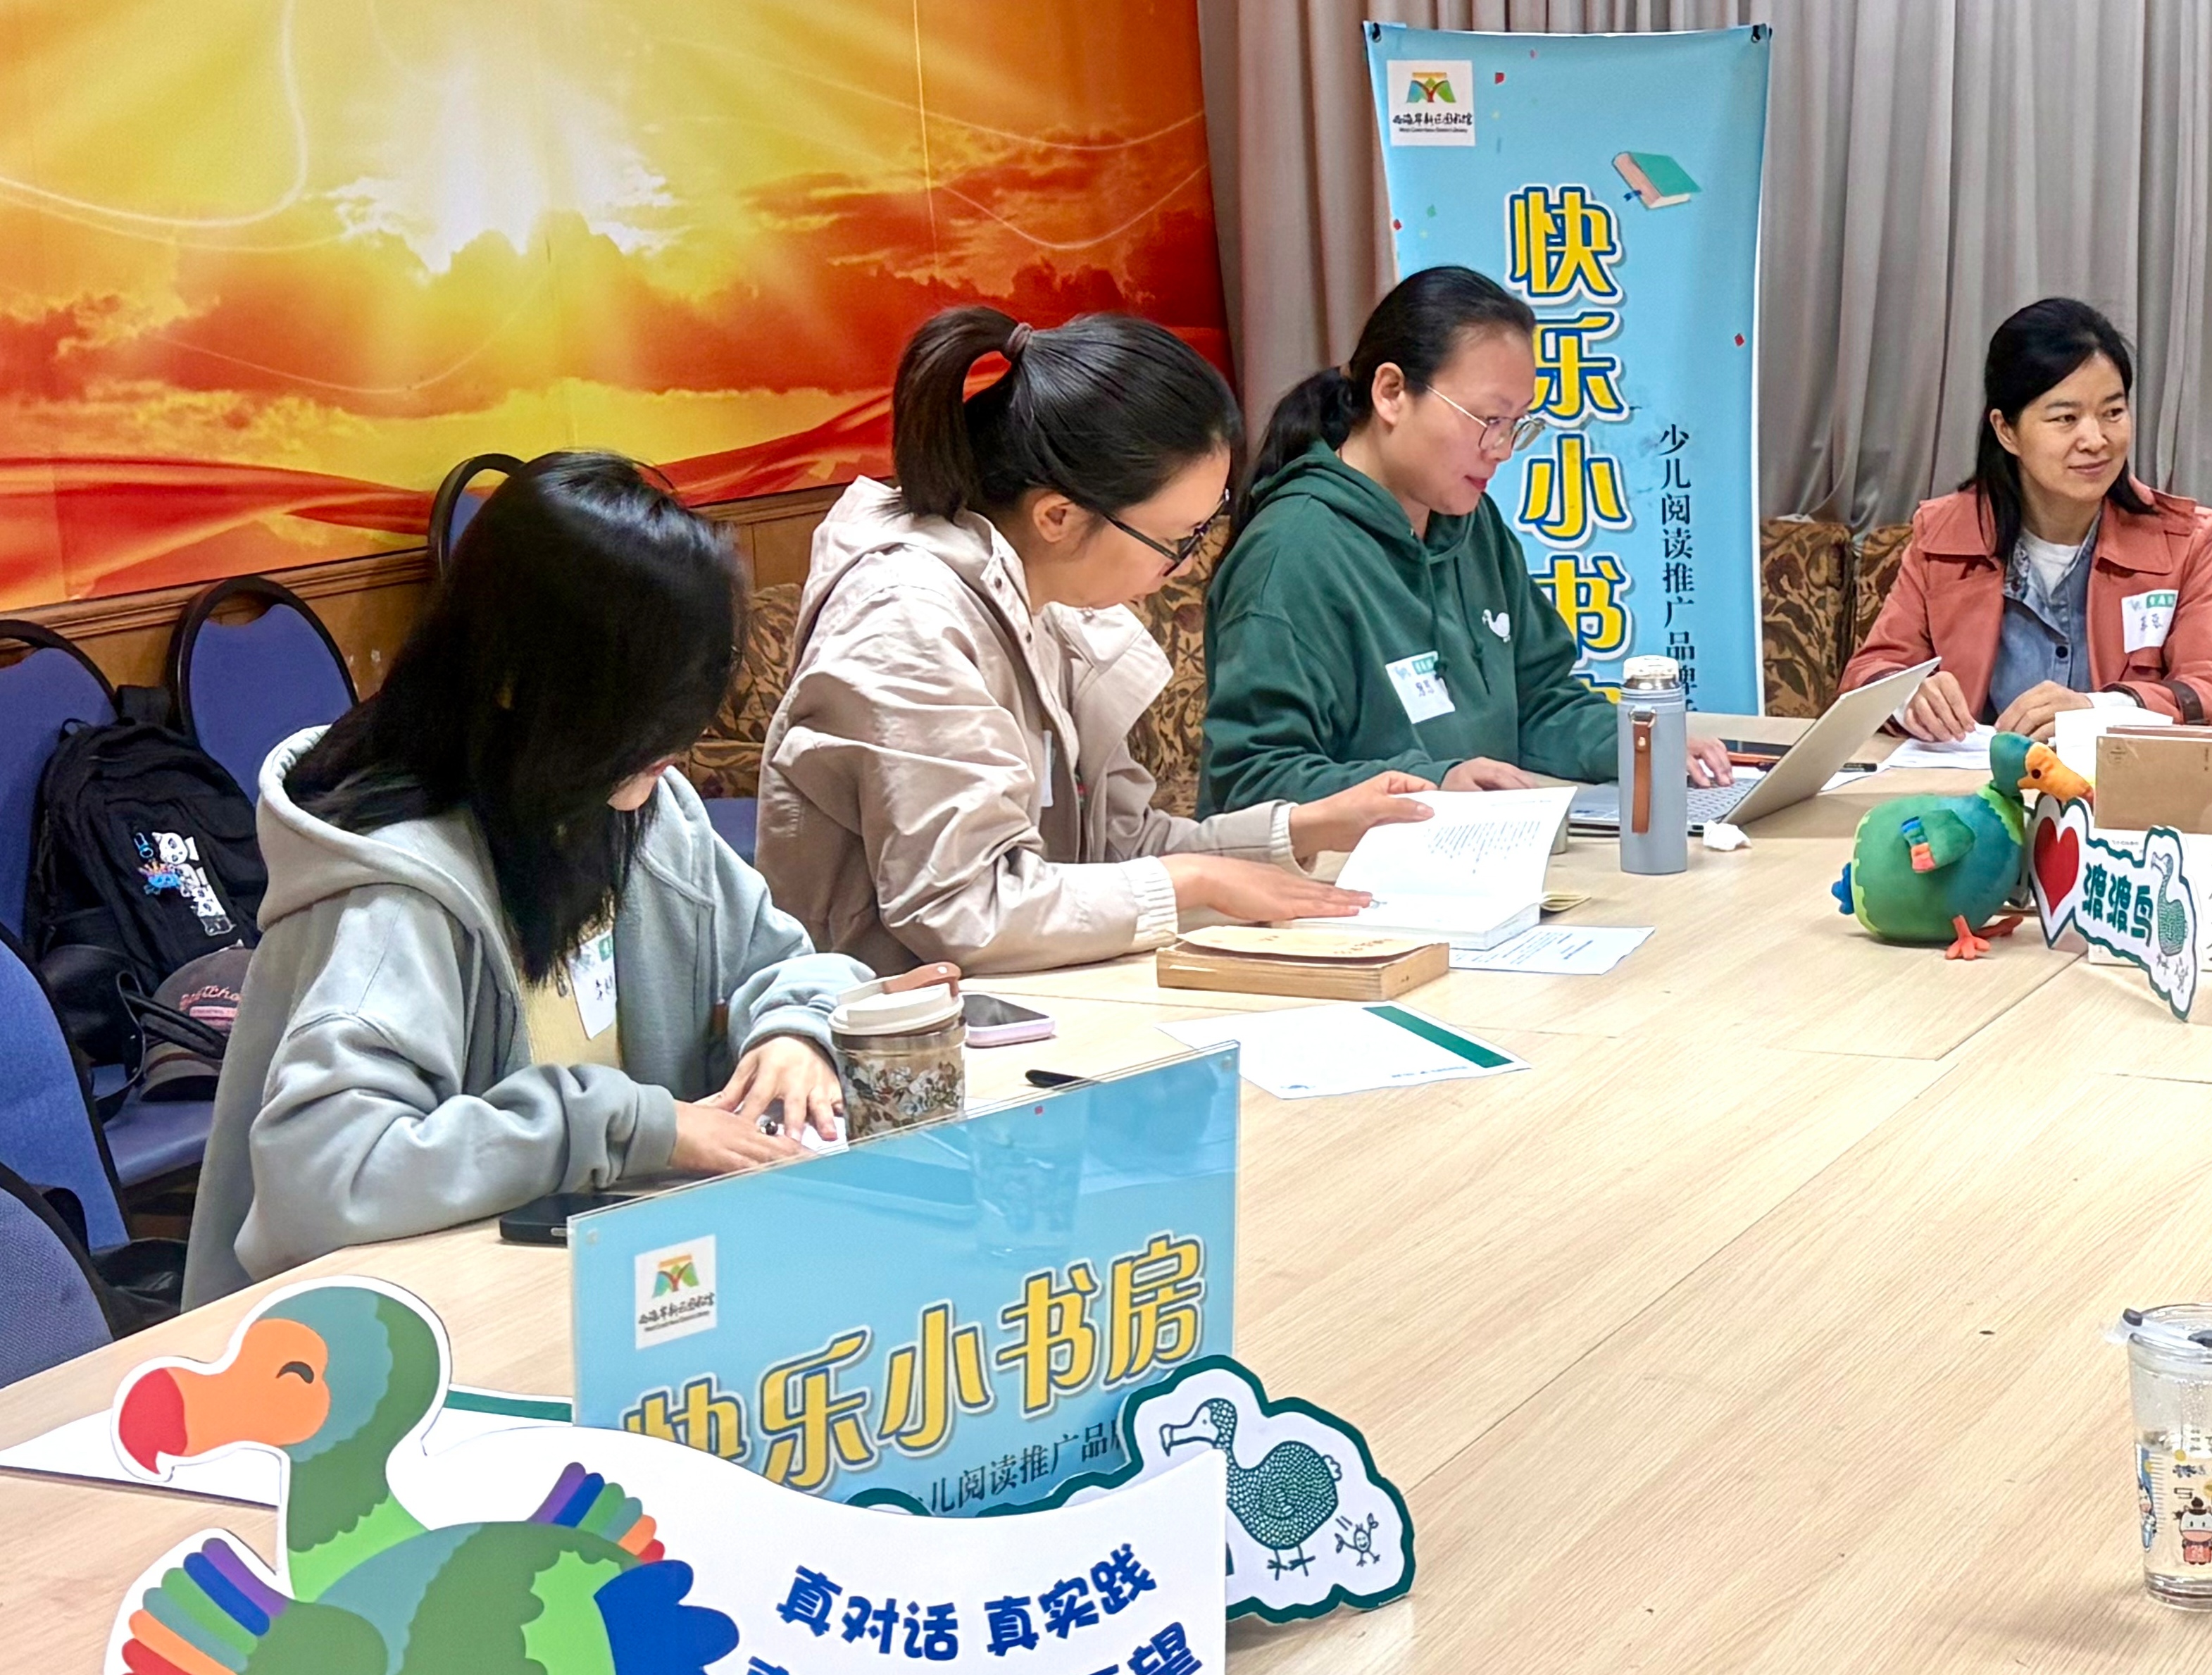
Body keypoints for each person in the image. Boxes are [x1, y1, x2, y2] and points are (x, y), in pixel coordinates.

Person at [192, 455, 883, 1301]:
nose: (680, 746)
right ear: (516, 683)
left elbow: (788, 964)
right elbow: (327, 1176)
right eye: (646, 708)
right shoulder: (398, 893)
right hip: (402, 1334)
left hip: (603, 1291)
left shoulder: (642, 810)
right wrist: (629, 1125)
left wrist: (795, 1032)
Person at [759, 306, 1429, 976]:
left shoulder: (1046, 597)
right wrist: (1191, 880)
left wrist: (1305, 827)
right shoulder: (906, 622)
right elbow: (967, 907)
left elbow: (1112, 846)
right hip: (897, 1013)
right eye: (1177, 540)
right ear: (1058, 516)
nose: (1186, 568)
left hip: (1030, 985)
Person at [1201, 266, 1728, 807]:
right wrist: (1437, 785)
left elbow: (1539, 701)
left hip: (1482, 845)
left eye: (1516, 424)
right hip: (1357, 858)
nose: (1503, 450)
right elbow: (1253, 782)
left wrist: (1640, 743)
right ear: (1391, 392)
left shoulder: (1471, 525)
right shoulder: (1291, 554)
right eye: (1487, 420)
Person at [1839, 298, 2212, 742]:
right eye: (2065, 418)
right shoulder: (1943, 535)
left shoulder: (2183, 541)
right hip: (1974, 781)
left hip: (2118, 783)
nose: (2095, 439)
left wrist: (2100, 711)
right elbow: (1869, 673)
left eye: (2113, 412)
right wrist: (1909, 697)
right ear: (2006, 430)